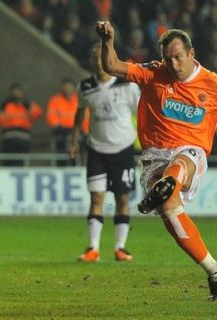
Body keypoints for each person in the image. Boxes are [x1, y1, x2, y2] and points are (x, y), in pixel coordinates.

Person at [95, 21, 217, 301]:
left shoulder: (216, 84)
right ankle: (214, 270)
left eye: (178, 57)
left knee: (180, 164)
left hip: (191, 152)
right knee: (170, 212)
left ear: (192, 54)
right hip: (154, 155)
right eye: (168, 58)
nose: (173, 64)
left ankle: (169, 183)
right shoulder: (154, 72)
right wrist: (108, 41)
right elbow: (112, 66)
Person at [69, 43, 140, 262]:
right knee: (96, 198)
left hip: (123, 149)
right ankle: (93, 249)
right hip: (97, 150)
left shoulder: (127, 85)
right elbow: (80, 114)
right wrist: (74, 141)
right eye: (93, 58)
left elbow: (143, 114)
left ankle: (120, 247)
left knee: (122, 199)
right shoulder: (86, 86)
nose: (97, 62)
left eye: (100, 57)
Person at [0, 83, 42, 166]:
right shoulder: (6, 106)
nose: (17, 95)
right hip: (8, 138)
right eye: (15, 92)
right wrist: (1, 108)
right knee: (8, 162)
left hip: (23, 138)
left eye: (19, 92)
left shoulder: (27, 105)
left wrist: (29, 106)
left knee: (21, 162)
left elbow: (37, 114)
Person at [46, 78, 88, 165]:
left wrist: (85, 130)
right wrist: (58, 127)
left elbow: (85, 117)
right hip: (62, 131)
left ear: (74, 88)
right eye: (65, 87)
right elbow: (51, 115)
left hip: (77, 132)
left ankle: (75, 163)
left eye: (69, 87)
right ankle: (63, 164)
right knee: (66, 140)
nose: (67, 89)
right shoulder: (55, 100)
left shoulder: (79, 100)